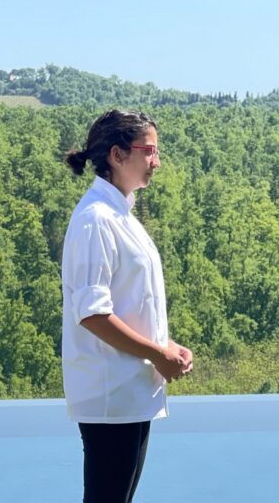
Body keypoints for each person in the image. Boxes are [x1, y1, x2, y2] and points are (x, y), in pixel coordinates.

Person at [61, 110, 193, 503]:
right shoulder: (96, 220)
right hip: (111, 393)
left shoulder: (120, 214)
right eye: (149, 151)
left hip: (131, 392)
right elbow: (92, 313)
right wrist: (157, 354)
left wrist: (166, 346)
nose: (157, 161)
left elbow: (132, 301)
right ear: (117, 155)